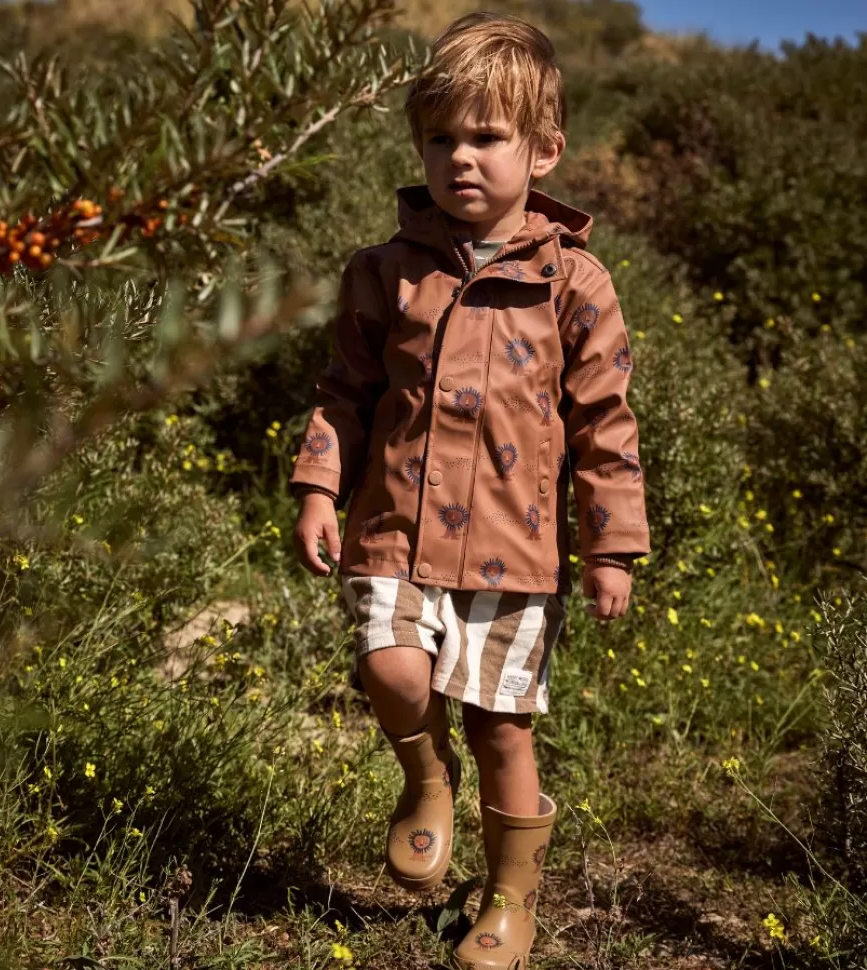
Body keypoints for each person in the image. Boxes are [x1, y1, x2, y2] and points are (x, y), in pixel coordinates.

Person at [290, 11, 650, 969]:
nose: (461, 159)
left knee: (503, 731)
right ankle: (423, 777)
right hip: (394, 527)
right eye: (440, 137)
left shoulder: (575, 285)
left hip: (517, 548)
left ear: (544, 150)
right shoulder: (386, 273)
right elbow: (345, 394)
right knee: (394, 671)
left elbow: (605, 425)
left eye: (486, 137)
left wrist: (610, 547)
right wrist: (321, 487)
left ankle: (508, 902)